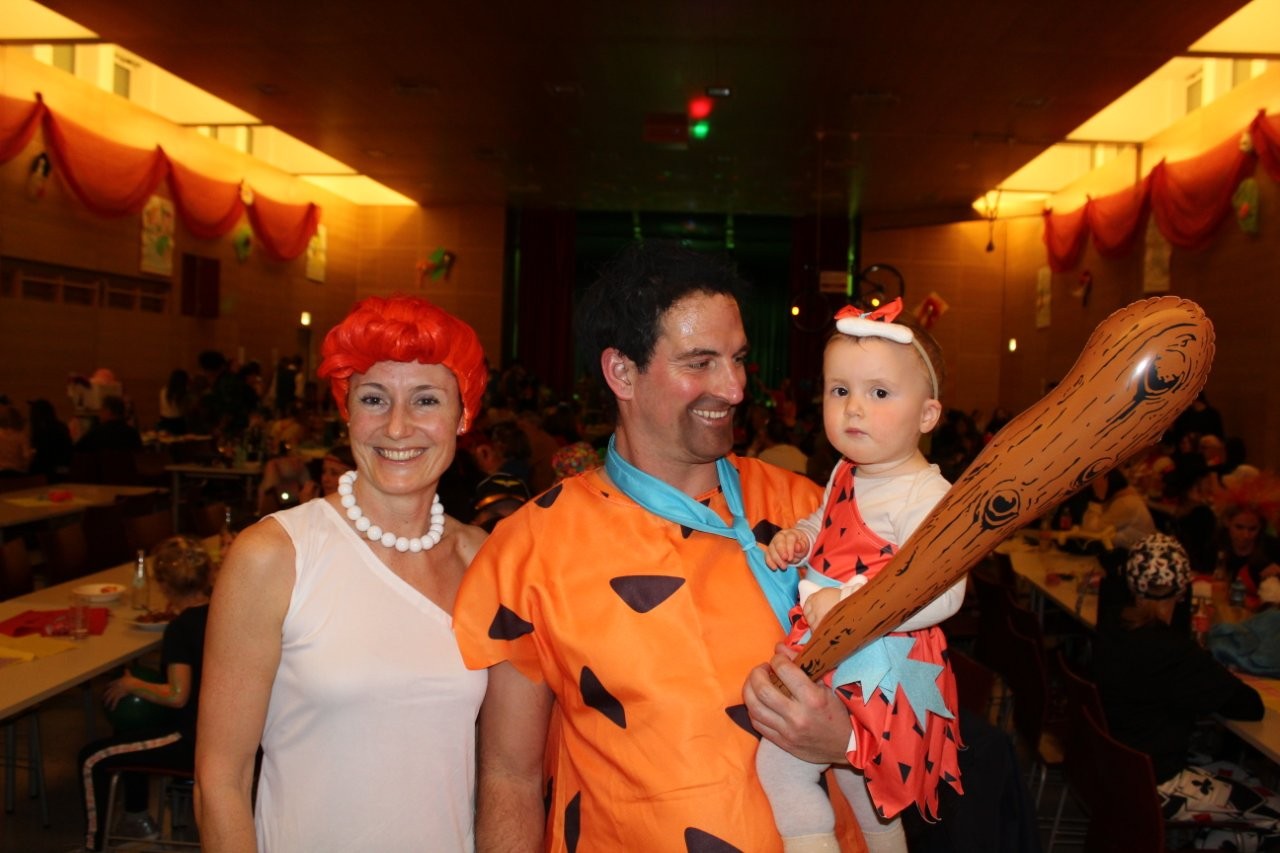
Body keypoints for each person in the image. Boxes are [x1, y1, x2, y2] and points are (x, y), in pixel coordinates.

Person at [452, 241, 860, 851]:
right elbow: (510, 776)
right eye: (700, 362)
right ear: (622, 373)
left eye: (738, 359)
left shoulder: (812, 511)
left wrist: (848, 742)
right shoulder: (531, 548)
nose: (734, 388)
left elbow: (908, 698)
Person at [195, 295, 490, 851]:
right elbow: (220, 782)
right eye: (374, 399)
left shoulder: (483, 560)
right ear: (347, 412)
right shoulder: (275, 556)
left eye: (426, 399)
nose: (397, 427)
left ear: (464, 416)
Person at [758, 298, 964, 853]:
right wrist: (802, 537)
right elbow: (829, 522)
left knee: (781, 766)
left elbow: (944, 592)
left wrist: (853, 605)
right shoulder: (847, 471)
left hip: (884, 662)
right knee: (862, 786)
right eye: (839, 390)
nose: (853, 408)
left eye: (879, 393)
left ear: (927, 415)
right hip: (840, 646)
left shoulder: (927, 494)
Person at [1094, 533, 1275, 839]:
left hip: (1118, 771)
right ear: (1182, 589)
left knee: (1245, 777)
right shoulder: (1173, 651)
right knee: (1271, 806)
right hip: (1157, 783)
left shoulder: (1111, 628)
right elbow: (1249, 706)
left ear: (1131, 583)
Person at [76, 536, 213, 852]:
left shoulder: (180, 628)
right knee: (130, 730)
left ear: (163, 585)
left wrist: (132, 684)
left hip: (191, 738)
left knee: (91, 759)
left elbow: (177, 695)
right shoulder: (220, 611)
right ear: (208, 576)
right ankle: (136, 817)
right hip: (226, 733)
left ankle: (92, 845)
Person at [1211, 472, 1280, 601]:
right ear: (1227, 522)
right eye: (1239, 527)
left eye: (1253, 529)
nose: (1246, 535)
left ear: (1261, 527)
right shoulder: (1214, 545)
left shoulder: (1273, 547)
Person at [1080, 468, 1157, 550]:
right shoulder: (1123, 497)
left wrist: (1096, 501)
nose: (1093, 487)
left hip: (1142, 551)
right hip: (1139, 548)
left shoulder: (1124, 503)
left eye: (1096, 483)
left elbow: (1092, 530)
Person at [74, 396, 142, 454]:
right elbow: (140, 456)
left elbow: (76, 451)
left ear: (108, 411)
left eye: (101, 410)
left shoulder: (96, 433)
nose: (99, 414)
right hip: (126, 466)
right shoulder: (133, 434)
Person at [26, 398, 72, 481]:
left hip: (49, 472)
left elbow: (42, 457)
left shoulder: (42, 430)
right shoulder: (61, 426)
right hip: (64, 470)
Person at [157, 369, 191, 435]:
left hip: (164, 421)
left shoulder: (163, 391)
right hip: (179, 423)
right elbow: (187, 410)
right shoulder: (184, 393)